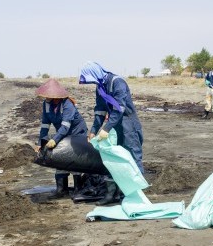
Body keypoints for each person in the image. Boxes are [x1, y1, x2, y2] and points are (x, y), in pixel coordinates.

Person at [79, 61, 144, 205]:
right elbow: (100, 110)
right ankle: (112, 195)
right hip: (114, 124)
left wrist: (106, 128)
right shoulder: (100, 88)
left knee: (133, 156)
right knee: (113, 157)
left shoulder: (117, 82)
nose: (92, 82)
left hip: (128, 124)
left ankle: (136, 195)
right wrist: (94, 130)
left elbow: (119, 108)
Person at [35, 79, 88, 199]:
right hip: (62, 134)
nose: (45, 97)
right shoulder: (46, 104)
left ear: (55, 96)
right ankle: (61, 190)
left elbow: (65, 126)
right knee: (59, 159)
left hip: (77, 133)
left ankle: (77, 189)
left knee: (76, 160)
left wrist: (55, 140)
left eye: (47, 95)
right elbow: (45, 125)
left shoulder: (67, 104)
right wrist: (40, 142)